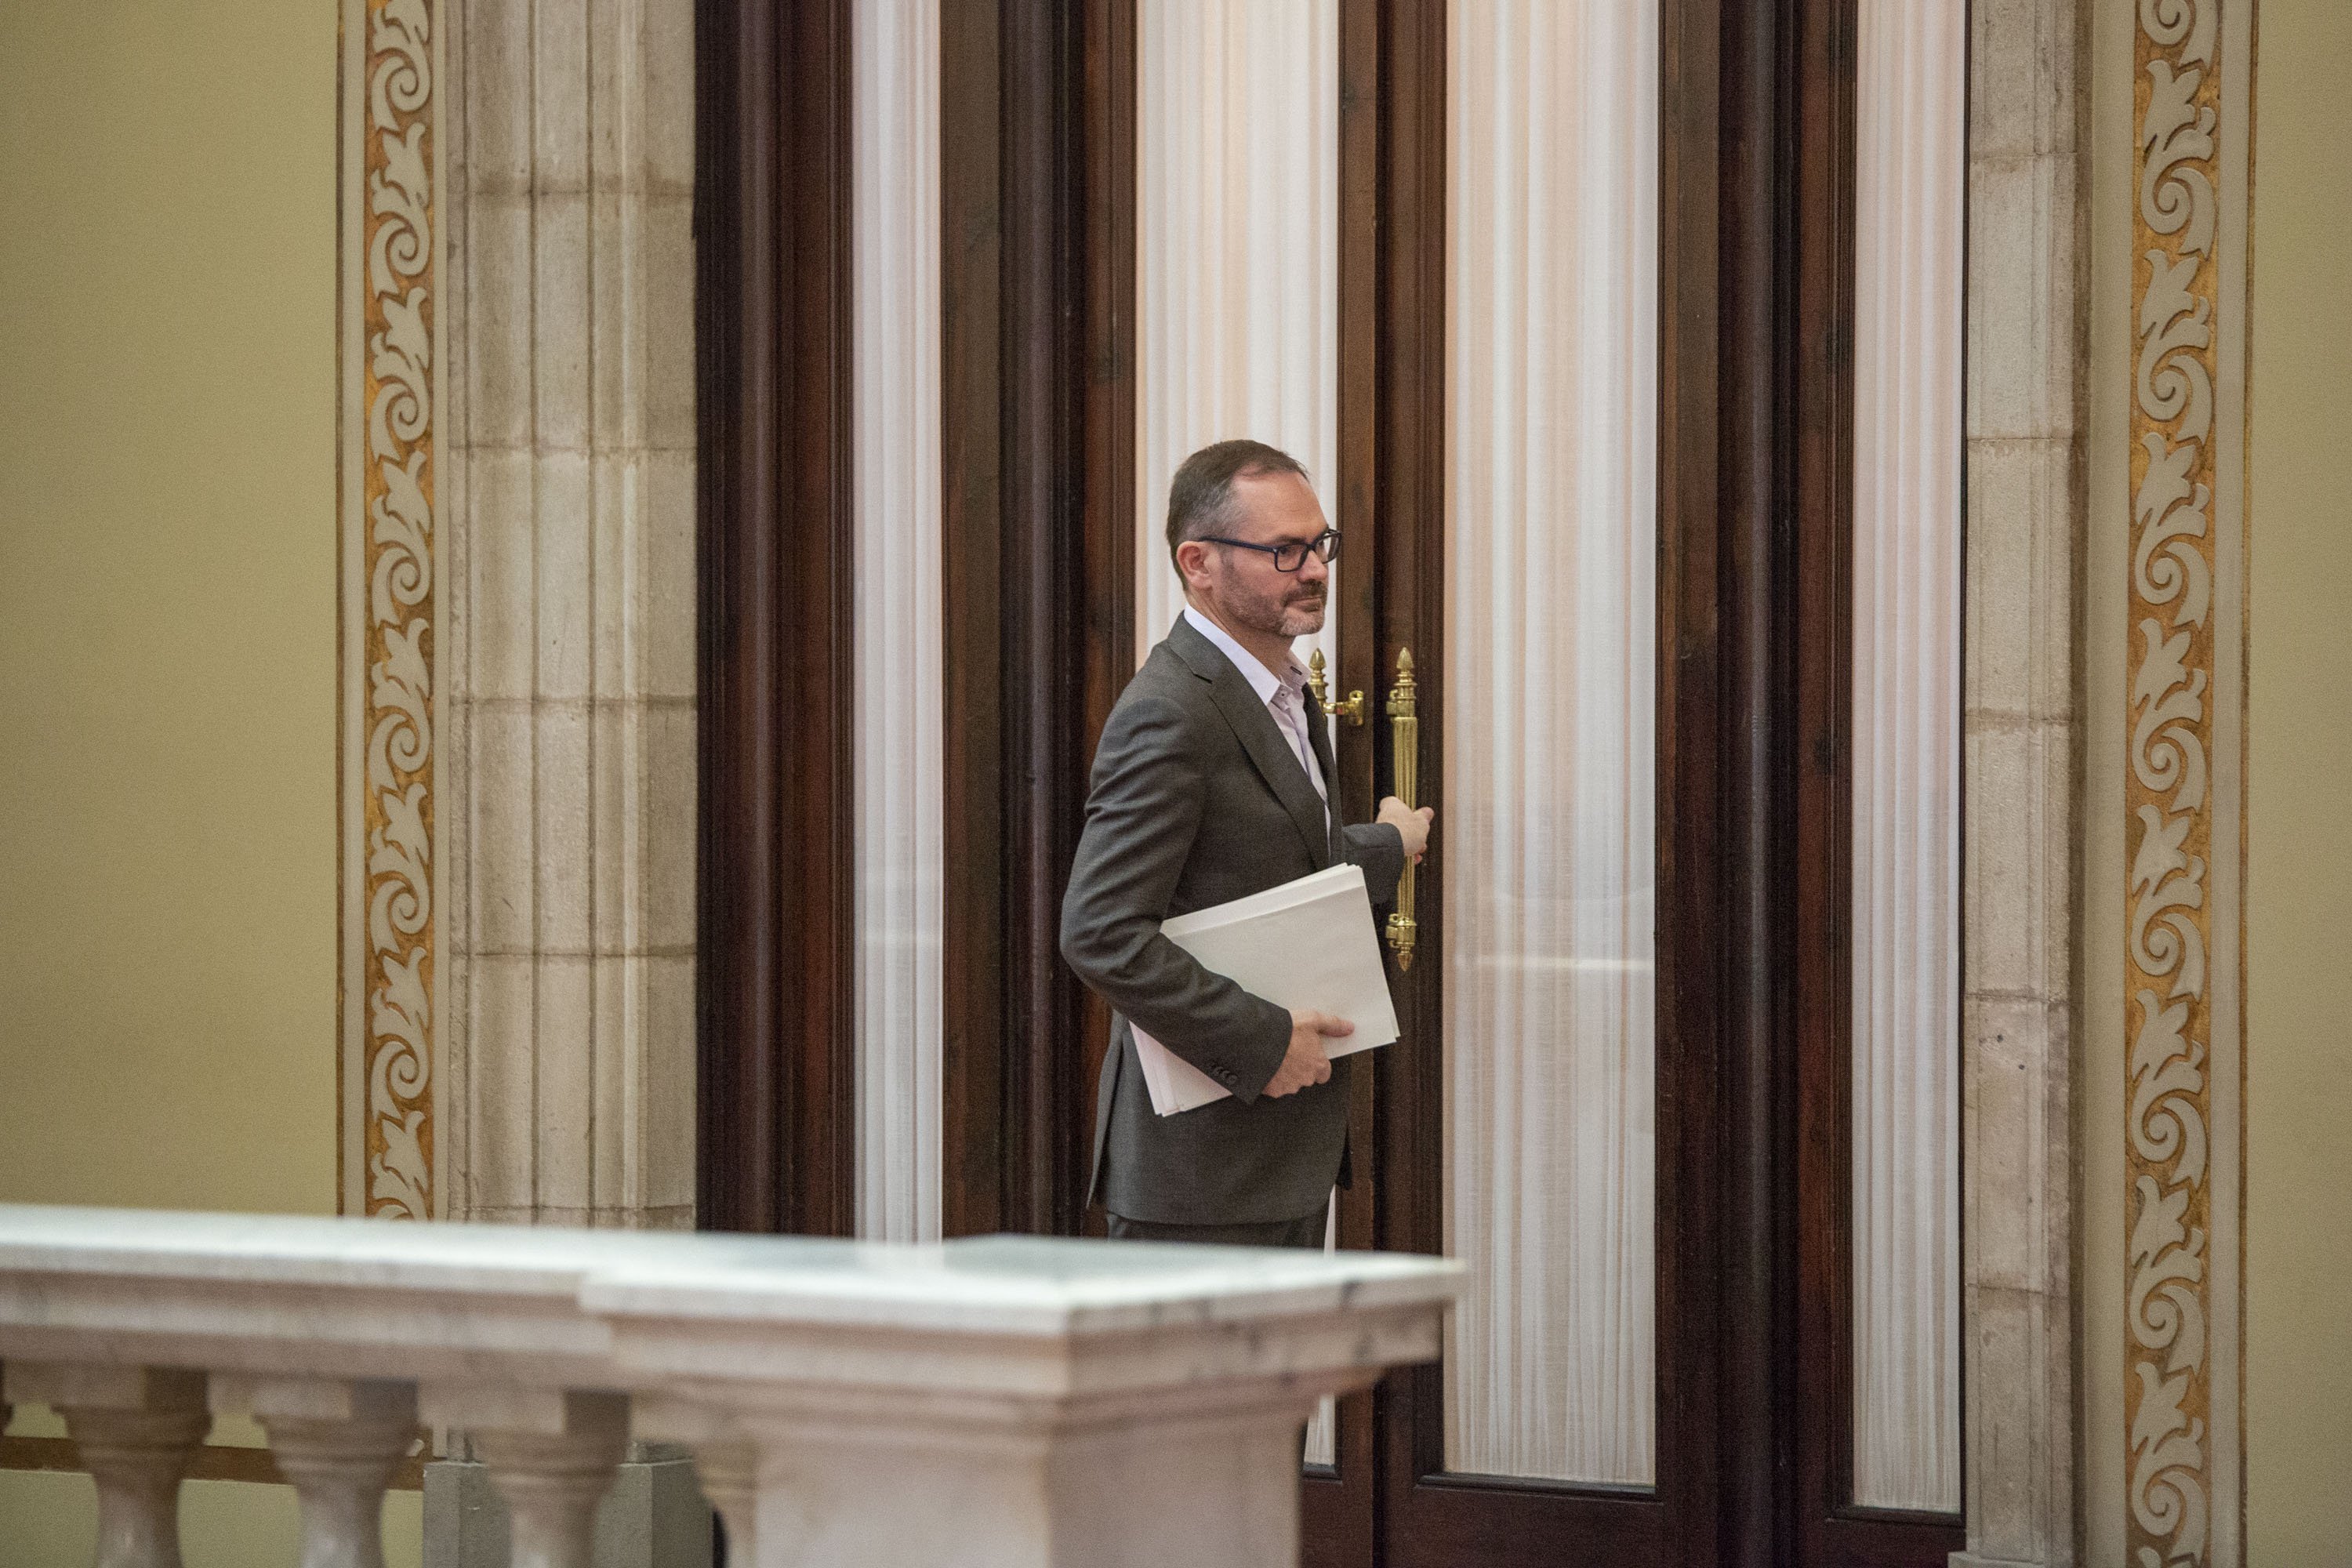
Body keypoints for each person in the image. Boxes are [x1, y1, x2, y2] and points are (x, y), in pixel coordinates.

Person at [1059, 438, 1435, 1247]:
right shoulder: (1170, 711)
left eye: (1320, 543)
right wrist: (1264, 1042)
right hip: (1199, 1176)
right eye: (1283, 550)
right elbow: (1101, 933)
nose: (1315, 569)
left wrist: (1388, 842)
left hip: (1277, 1156)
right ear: (1198, 562)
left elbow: (1281, 850)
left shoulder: (1280, 688)